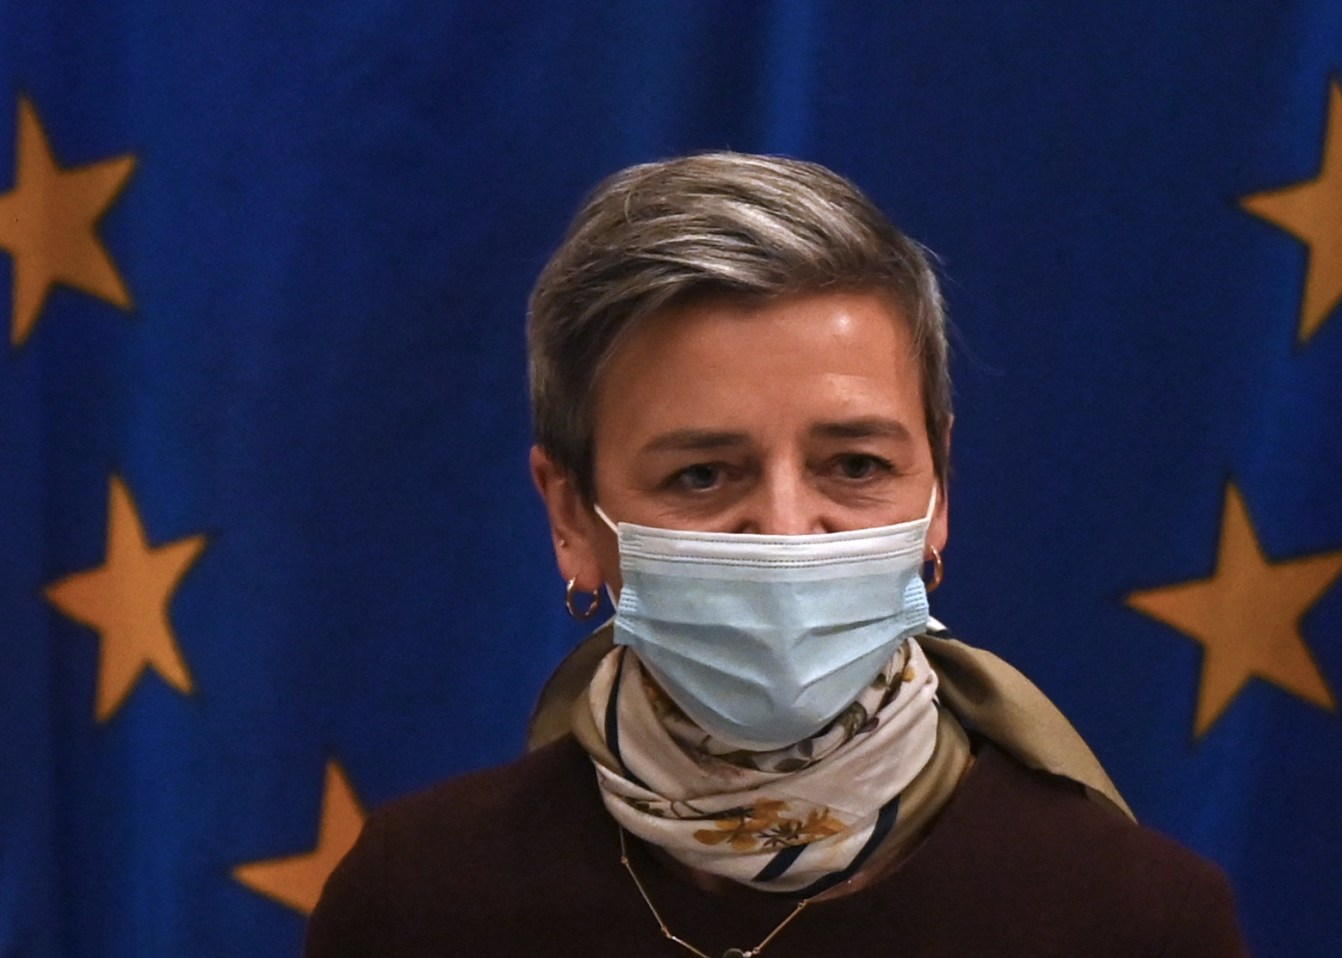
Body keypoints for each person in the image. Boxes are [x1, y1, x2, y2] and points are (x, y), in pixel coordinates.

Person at [305, 152, 1248, 956]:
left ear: (939, 495)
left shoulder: (1131, 919)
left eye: (855, 464)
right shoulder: (418, 905)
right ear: (572, 515)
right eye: (704, 476)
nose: (789, 533)